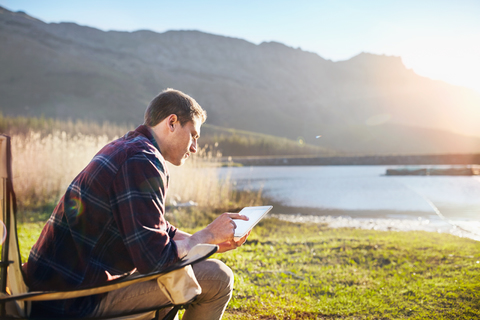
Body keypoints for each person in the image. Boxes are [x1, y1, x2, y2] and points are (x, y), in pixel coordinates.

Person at [23, 88, 250, 319]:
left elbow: (154, 228)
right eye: (193, 135)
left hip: (56, 287)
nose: (194, 147)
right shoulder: (141, 160)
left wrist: (204, 244)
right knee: (219, 277)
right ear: (172, 122)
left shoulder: (129, 148)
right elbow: (155, 260)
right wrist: (205, 236)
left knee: (183, 275)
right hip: (72, 301)